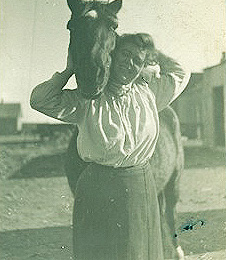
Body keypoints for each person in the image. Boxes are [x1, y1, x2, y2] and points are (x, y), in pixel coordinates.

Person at [30, 33, 190, 260]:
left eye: (138, 60)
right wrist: (68, 70)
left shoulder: (150, 94)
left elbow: (181, 73)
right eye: (124, 54)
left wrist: (155, 52)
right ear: (110, 57)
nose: (130, 63)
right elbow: (40, 100)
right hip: (98, 191)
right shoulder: (88, 99)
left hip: (140, 191)